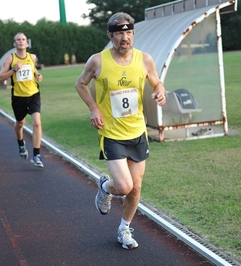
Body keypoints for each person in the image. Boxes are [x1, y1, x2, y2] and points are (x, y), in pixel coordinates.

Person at [75, 12, 166, 250]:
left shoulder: (144, 59)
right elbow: (80, 83)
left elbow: (157, 81)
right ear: (110, 35)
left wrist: (160, 91)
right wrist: (94, 108)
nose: (124, 38)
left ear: (133, 34)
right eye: (119, 34)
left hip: (137, 132)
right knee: (123, 187)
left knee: (136, 188)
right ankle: (105, 187)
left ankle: (124, 229)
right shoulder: (98, 61)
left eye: (128, 33)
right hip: (112, 133)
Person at [0, 32, 44, 168]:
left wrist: (38, 74)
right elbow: (1, 78)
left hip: (33, 94)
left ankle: (36, 155)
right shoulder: (10, 59)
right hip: (18, 97)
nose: (21, 41)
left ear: (27, 43)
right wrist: (14, 69)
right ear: (15, 44)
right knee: (20, 123)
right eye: (18, 40)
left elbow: (32, 68)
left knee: (37, 122)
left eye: (23, 39)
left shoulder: (32, 57)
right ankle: (21, 143)